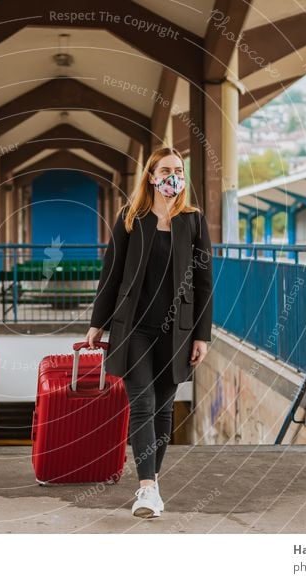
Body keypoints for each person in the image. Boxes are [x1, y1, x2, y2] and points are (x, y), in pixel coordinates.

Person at [85, 147, 213, 518]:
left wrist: (201, 336)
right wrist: (98, 322)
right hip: (134, 329)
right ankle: (145, 489)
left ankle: (152, 483)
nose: (173, 176)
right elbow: (111, 274)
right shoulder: (130, 219)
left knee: (162, 409)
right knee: (141, 403)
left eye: (179, 170)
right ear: (151, 176)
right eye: (166, 170)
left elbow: (204, 284)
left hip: (178, 332)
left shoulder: (194, 222)